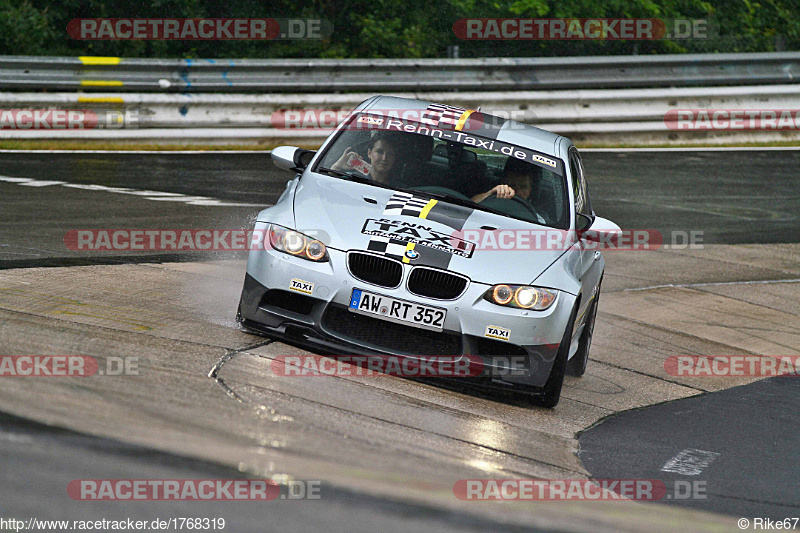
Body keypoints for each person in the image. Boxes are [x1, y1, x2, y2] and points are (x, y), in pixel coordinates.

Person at [330, 131, 400, 185]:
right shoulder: (353, 178)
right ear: (369, 153)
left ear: (394, 157)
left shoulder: (400, 188)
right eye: (379, 152)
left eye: (390, 153)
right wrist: (337, 166)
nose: (384, 158)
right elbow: (327, 186)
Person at [471, 157, 536, 203]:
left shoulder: (536, 218)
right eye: (512, 186)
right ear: (503, 184)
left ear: (529, 191)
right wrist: (490, 194)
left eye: (523, 187)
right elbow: (471, 204)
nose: (517, 192)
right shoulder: (491, 202)